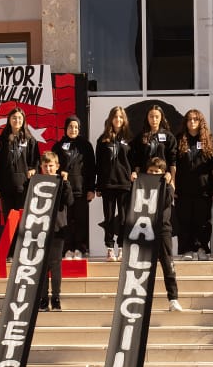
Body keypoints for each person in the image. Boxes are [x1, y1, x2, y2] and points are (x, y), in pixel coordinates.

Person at [174, 108, 213, 260]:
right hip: (183, 189)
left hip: (203, 189)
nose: (192, 122)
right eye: (189, 119)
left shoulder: (208, 140)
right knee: (184, 220)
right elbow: (173, 165)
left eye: (195, 119)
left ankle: (201, 249)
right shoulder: (179, 139)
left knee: (203, 221)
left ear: (201, 122)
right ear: (185, 122)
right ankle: (187, 250)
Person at [142, 158, 184, 312]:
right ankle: (140, 301)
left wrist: (167, 184)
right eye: (151, 170)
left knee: (167, 264)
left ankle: (173, 299)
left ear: (163, 172)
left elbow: (166, 202)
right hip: (144, 229)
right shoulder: (140, 186)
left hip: (163, 230)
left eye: (157, 171)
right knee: (142, 267)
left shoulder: (168, 187)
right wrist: (134, 182)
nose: (153, 173)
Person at [35, 151, 74, 312]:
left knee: (56, 264)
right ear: (41, 168)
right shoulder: (36, 183)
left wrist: (65, 183)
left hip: (57, 228)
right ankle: (43, 299)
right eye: (45, 166)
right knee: (42, 266)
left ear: (57, 167)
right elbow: (27, 199)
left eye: (51, 166)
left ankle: (56, 297)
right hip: (40, 229)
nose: (48, 169)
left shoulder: (62, 182)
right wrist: (29, 181)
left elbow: (69, 201)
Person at [95, 106, 134, 260]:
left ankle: (123, 247)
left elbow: (133, 161)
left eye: (120, 117)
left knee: (124, 218)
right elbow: (98, 164)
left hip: (125, 184)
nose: (118, 119)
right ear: (111, 119)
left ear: (124, 119)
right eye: (115, 116)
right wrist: (97, 186)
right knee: (109, 217)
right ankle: (110, 248)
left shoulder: (129, 139)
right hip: (107, 185)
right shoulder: (102, 139)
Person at [0, 107, 39, 236]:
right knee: (9, 220)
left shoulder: (30, 139)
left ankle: (21, 250)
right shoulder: (2, 140)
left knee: (23, 220)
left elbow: (36, 160)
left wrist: (33, 169)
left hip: (24, 187)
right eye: (14, 118)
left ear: (23, 120)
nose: (17, 120)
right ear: (9, 120)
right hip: (6, 188)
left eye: (19, 117)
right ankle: (10, 251)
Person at [55, 116, 95, 258]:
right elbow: (53, 166)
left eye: (76, 127)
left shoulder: (86, 145)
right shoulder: (59, 145)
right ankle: (67, 248)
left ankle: (80, 248)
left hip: (81, 190)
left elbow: (91, 168)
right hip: (64, 191)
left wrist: (91, 189)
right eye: (71, 127)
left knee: (80, 221)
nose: (73, 130)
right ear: (66, 128)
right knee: (65, 221)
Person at [136, 105, 176, 171]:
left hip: (163, 175)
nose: (154, 119)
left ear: (161, 118)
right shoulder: (141, 136)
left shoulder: (169, 136)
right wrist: (137, 175)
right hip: (145, 175)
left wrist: (172, 177)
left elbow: (172, 159)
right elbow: (137, 158)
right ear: (147, 118)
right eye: (151, 116)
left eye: (157, 117)